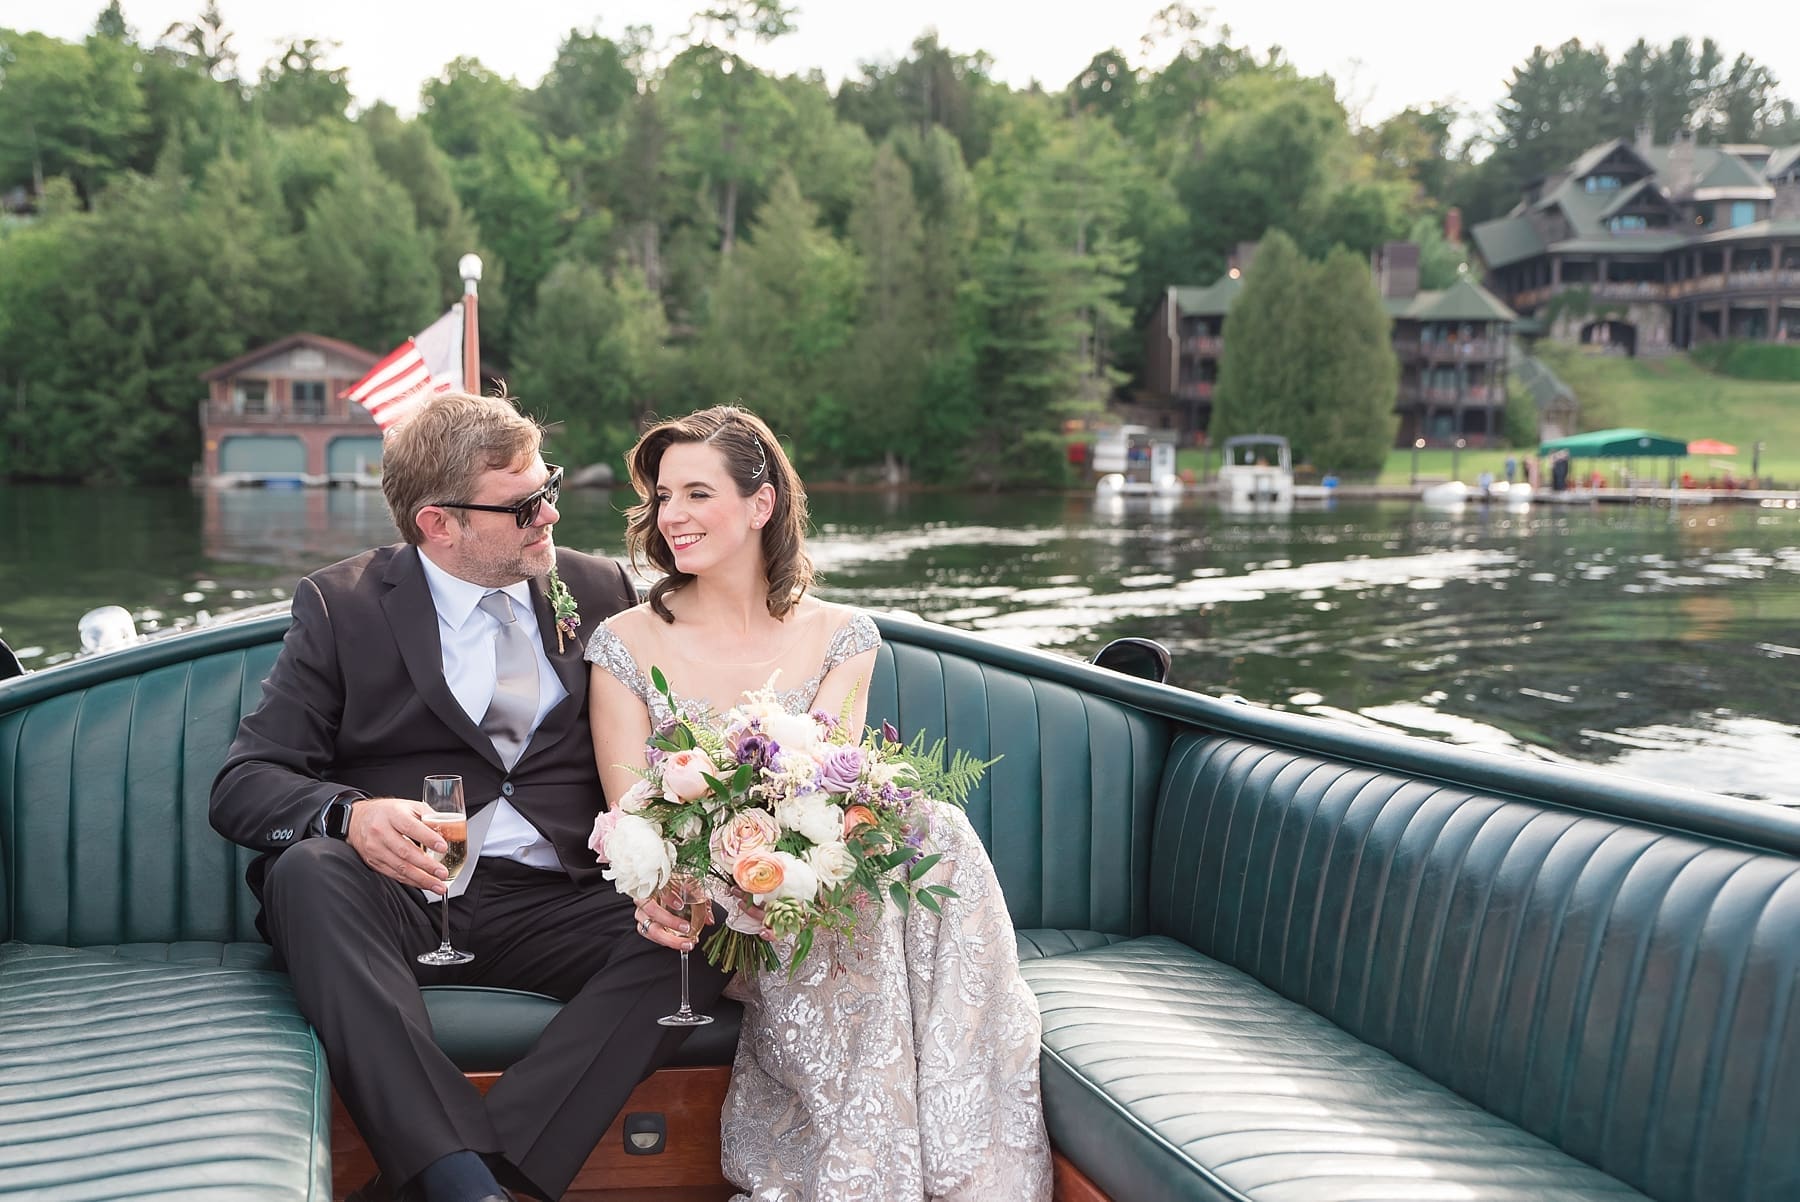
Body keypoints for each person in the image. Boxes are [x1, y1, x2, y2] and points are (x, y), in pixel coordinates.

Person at [210, 392, 730, 1202]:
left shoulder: (599, 592)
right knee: (306, 873)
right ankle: (460, 1179)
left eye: (546, 487)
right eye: (523, 506)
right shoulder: (341, 608)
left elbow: (660, 745)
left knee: (712, 921)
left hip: (564, 896)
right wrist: (352, 814)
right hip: (411, 896)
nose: (549, 514)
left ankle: (471, 1180)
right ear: (437, 524)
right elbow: (245, 783)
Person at [585, 405, 1053, 1201]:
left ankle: (963, 1171)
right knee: (856, 916)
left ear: (760, 504)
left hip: (823, 900)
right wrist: (723, 883)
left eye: (697, 494)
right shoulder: (626, 642)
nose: (673, 517)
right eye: (664, 497)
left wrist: (798, 874)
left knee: (929, 829)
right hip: (713, 912)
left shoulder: (843, 636)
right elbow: (638, 820)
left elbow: (831, 801)